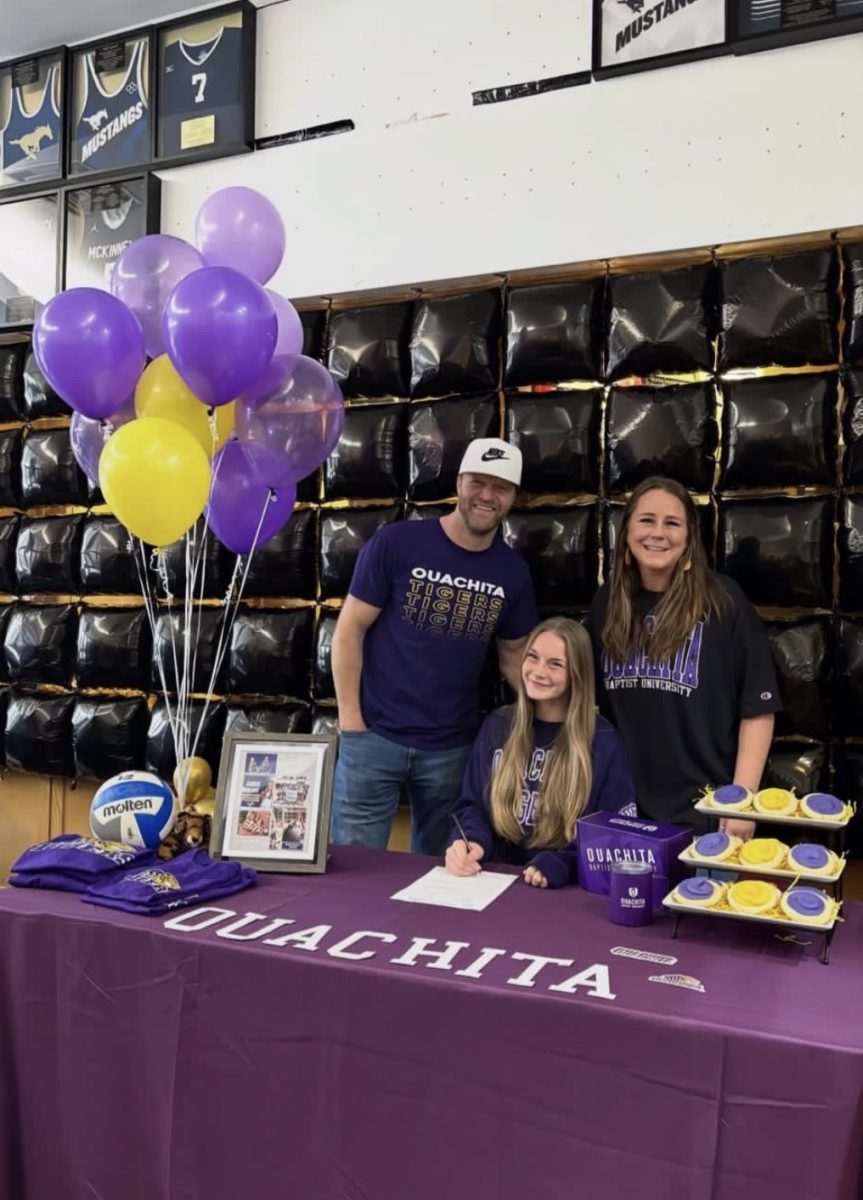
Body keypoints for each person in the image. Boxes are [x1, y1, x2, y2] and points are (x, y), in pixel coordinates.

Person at [330, 437, 539, 856]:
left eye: (500, 488)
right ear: (460, 482)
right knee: (349, 873)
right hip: (373, 737)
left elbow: (515, 656)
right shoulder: (398, 543)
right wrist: (352, 723)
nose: (487, 495)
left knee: (439, 877)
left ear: (513, 497)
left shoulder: (512, 572)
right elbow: (349, 630)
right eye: (478, 482)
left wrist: (556, 717)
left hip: (453, 749)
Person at [586, 476, 781, 838]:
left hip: (707, 817)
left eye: (672, 523)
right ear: (626, 530)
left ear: (689, 537)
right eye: (646, 520)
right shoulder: (606, 604)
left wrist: (741, 800)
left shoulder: (723, 601)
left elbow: (757, 707)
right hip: (623, 814)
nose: (658, 533)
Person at [444, 617, 635, 888]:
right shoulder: (497, 726)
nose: (538, 671)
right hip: (490, 880)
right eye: (532, 657)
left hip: (565, 893)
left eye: (555, 664)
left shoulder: (603, 740)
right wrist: (469, 842)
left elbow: (616, 828)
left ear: (577, 674)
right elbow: (472, 805)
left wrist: (565, 863)